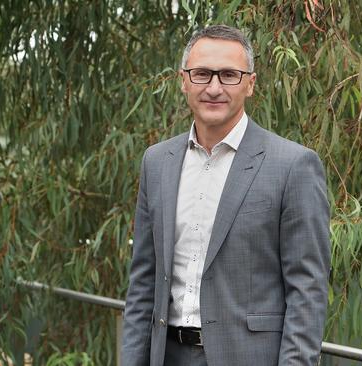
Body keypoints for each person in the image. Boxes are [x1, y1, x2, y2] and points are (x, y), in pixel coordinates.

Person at [120, 25, 331, 366]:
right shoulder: (157, 162)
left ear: (250, 83)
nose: (214, 88)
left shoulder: (293, 166)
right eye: (202, 74)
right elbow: (143, 281)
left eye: (229, 75)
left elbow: (307, 291)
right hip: (166, 355)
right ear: (184, 80)